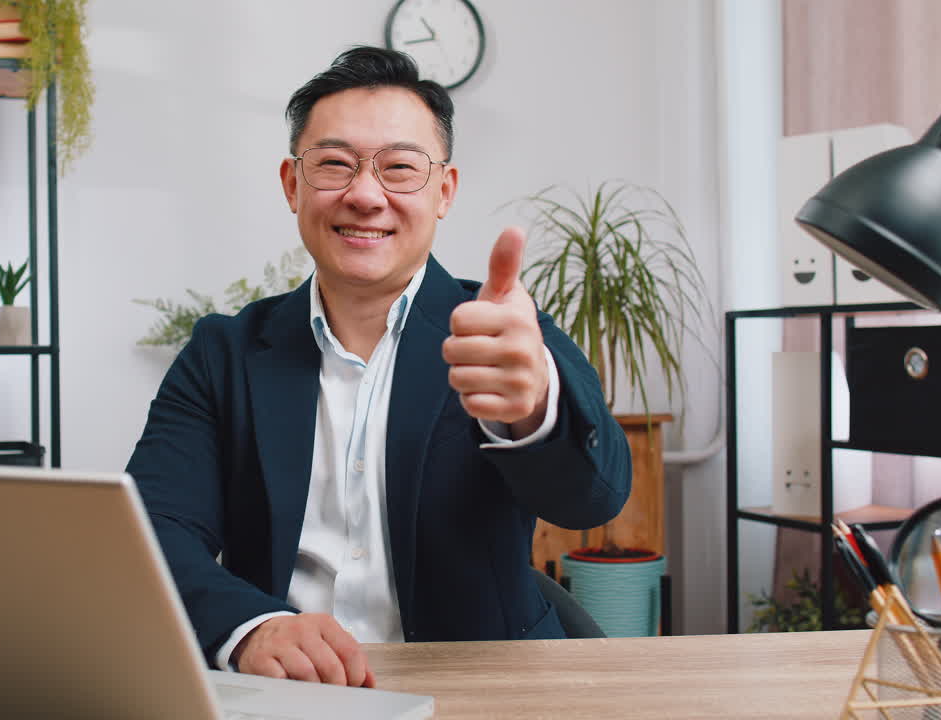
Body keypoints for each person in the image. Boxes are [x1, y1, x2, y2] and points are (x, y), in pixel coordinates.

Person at [126, 46, 631, 688]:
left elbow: (594, 500)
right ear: (292, 184)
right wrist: (251, 627)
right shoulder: (222, 354)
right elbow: (152, 533)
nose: (366, 195)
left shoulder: (499, 330)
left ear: (443, 191)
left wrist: (534, 411)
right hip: (286, 690)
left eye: (399, 168)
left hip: (479, 688)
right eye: (334, 164)